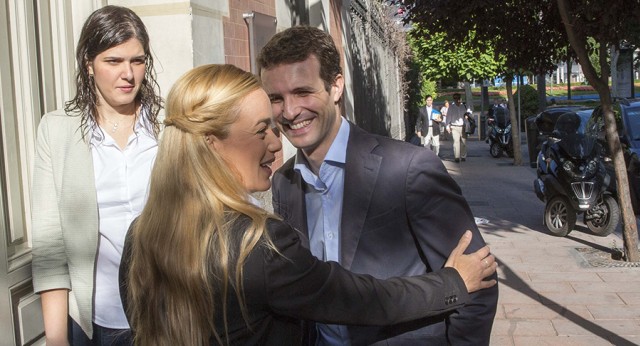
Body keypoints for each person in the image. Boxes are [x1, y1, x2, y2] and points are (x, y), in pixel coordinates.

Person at [118, 64, 497, 345]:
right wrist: (453, 282)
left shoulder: (141, 235)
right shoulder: (258, 245)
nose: (276, 142)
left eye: (273, 126)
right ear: (212, 144)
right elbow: (359, 299)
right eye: (261, 129)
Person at [258, 26, 499, 345]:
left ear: (335, 87)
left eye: (303, 92)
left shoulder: (409, 169)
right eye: (276, 98)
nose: (289, 112)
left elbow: (479, 283)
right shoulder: (284, 183)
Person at [31, 6, 162, 345]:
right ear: (89, 64)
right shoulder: (57, 131)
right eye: (113, 61)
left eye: (137, 60)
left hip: (170, 315)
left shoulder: (169, 126)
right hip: (98, 322)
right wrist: (57, 340)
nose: (128, 74)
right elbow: (50, 246)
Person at [446, 93, 471, 162]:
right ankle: (456, 157)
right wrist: (447, 126)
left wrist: (467, 116)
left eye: (458, 98)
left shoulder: (464, 106)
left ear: (460, 98)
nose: (456, 100)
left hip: (463, 126)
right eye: (455, 98)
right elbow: (448, 117)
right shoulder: (451, 107)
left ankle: (463, 156)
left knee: (463, 142)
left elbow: (469, 113)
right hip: (454, 126)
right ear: (453, 99)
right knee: (456, 142)